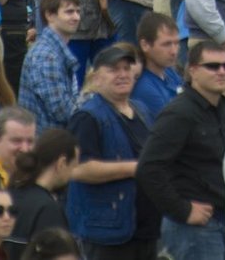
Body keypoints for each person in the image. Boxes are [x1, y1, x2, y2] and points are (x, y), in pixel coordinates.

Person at [135, 37, 225, 260]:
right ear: (193, 71)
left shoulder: (223, 110)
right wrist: (182, 210)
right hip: (194, 229)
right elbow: (148, 168)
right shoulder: (179, 113)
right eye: (212, 66)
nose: (221, 71)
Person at [67, 43, 160, 260]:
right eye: (113, 70)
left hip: (145, 230)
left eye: (127, 69)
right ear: (96, 78)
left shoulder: (142, 110)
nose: (122, 75)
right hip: (108, 234)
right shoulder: (88, 117)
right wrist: (136, 168)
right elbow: (79, 169)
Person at [5, 127, 76, 259]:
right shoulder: (48, 209)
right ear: (61, 163)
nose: (73, 174)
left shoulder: (9, 194)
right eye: (73, 166)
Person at [19, 0, 83, 131]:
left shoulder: (53, 50)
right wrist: (91, 94)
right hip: (46, 145)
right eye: (69, 12)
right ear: (49, 15)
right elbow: (62, 112)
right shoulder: (46, 56)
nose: (76, 17)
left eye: (78, 12)